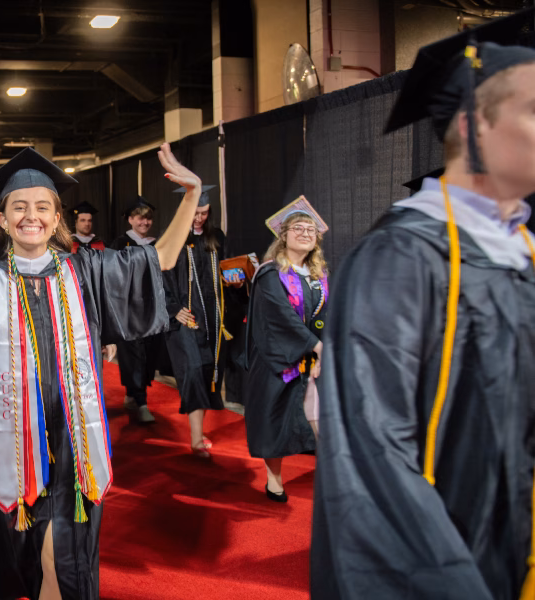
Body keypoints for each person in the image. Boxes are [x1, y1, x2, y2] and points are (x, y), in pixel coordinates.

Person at [0, 144, 202, 600]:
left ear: (56, 219)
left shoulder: (86, 270)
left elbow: (159, 260)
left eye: (42, 207)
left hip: (69, 450)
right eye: (19, 207)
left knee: (60, 566)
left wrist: (189, 196)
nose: (31, 216)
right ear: (3, 220)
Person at [311, 12, 535, 599]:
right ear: (474, 123)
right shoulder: (400, 260)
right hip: (444, 558)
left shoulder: (518, 251)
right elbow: (373, 456)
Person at [242, 197, 327, 502]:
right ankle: (273, 479)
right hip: (277, 360)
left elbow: (324, 316)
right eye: (298, 228)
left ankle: (330, 475)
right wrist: (315, 346)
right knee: (274, 420)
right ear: (284, 235)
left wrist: (322, 347)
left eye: (311, 230)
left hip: (312, 359)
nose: (305, 233)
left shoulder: (319, 277)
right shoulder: (270, 273)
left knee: (319, 417)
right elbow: (280, 316)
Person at [162, 185, 231, 457]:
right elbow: (159, 279)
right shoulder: (173, 240)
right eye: (195, 212)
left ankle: (199, 434)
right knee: (191, 371)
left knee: (205, 371)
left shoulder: (217, 238)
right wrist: (172, 308)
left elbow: (223, 274)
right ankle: (196, 440)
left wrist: (234, 281)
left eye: (204, 212)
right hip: (186, 320)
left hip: (213, 318)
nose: (199, 218)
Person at [109, 198, 161, 423]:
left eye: (148, 217)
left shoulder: (156, 244)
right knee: (134, 355)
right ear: (130, 219)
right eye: (140, 217)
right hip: (129, 310)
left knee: (148, 355)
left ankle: (132, 395)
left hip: (152, 308)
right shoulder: (120, 243)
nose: (145, 221)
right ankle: (141, 402)